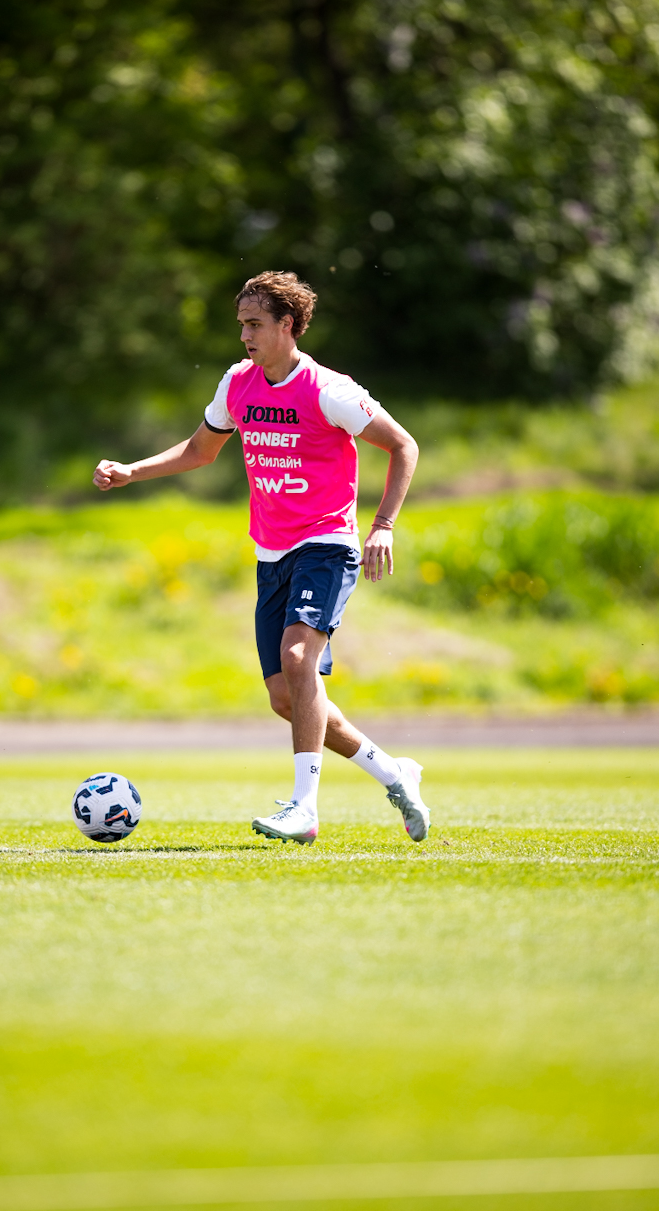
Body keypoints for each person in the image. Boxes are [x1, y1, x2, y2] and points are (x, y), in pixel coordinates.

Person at [93, 270, 430, 846]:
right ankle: (395, 773)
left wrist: (383, 527)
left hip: (326, 543)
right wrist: (132, 471)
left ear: (287, 325)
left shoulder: (329, 390)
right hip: (271, 553)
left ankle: (304, 810)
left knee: (298, 659)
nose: (245, 335)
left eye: (255, 324)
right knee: (286, 698)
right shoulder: (237, 383)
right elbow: (200, 451)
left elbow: (404, 445)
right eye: (241, 325)